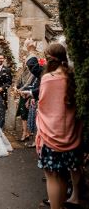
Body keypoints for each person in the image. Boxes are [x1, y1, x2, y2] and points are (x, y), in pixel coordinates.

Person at [36, 43, 83, 209]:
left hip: (51, 135)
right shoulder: (72, 77)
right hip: (70, 134)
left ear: (48, 59)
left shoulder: (49, 79)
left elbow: (43, 107)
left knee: (52, 176)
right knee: (63, 175)